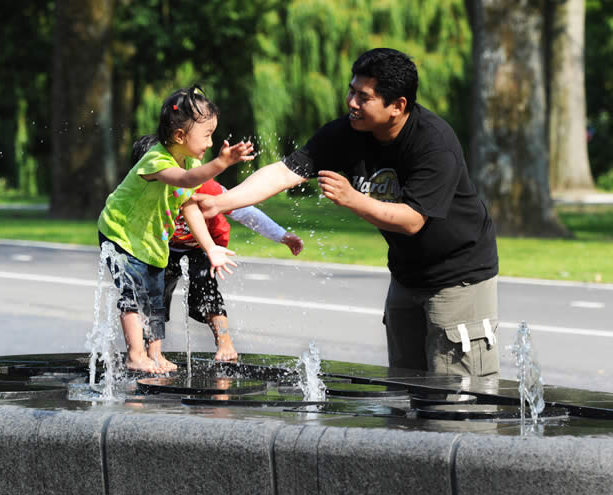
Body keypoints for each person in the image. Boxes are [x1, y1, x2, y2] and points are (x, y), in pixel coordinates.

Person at [197, 48, 500, 378]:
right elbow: (285, 172)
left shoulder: (433, 143)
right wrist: (223, 203)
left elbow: (413, 220)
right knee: (405, 388)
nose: (351, 102)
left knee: (458, 396)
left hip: (459, 278)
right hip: (406, 274)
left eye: (363, 96)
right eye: (351, 90)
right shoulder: (348, 132)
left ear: (398, 106)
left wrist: (353, 199)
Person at [97, 85, 255, 374]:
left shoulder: (190, 159)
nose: (211, 142)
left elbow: (188, 205)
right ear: (181, 136)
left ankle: (154, 354)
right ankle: (135, 354)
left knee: (155, 297)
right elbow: (184, 180)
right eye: (207, 135)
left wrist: (210, 249)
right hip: (120, 234)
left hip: (150, 240)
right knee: (134, 294)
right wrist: (221, 163)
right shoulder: (156, 160)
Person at [131, 134, 304, 362]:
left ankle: (224, 342)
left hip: (205, 245)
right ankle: (150, 351)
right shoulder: (141, 194)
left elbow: (244, 211)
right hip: (164, 247)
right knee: (151, 294)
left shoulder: (207, 188)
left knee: (206, 289)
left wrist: (282, 235)